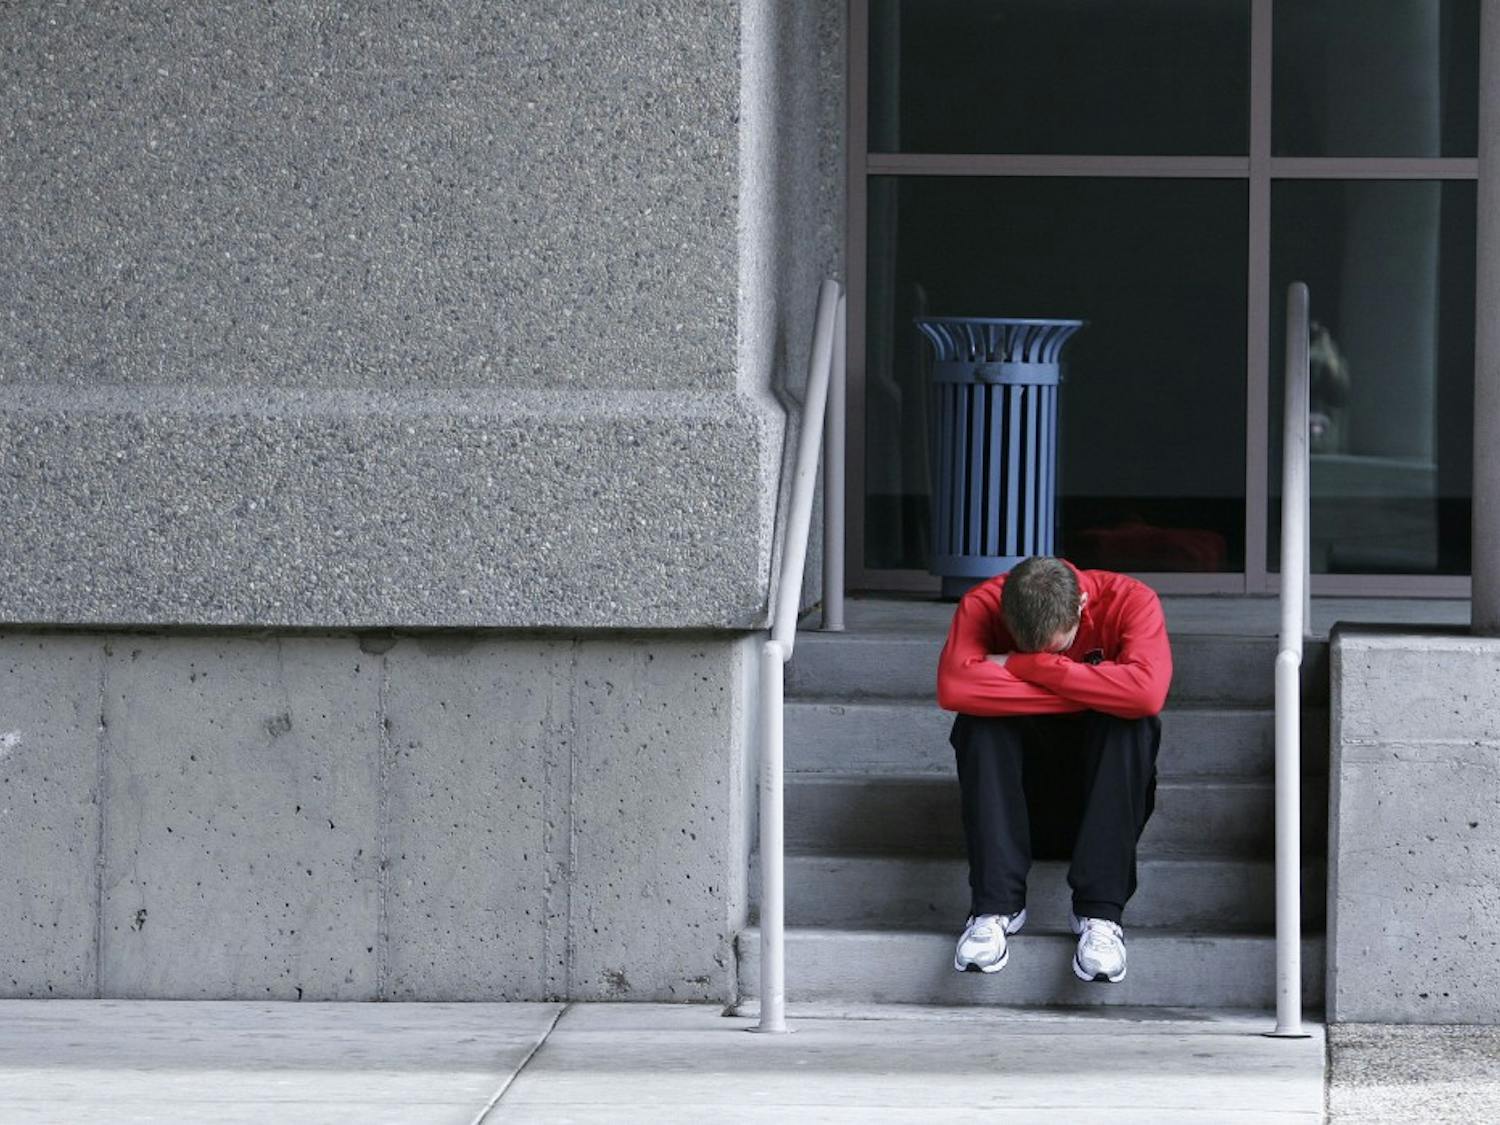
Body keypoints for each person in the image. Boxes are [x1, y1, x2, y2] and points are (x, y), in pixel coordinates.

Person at [936, 555, 1172, 984]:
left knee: (1130, 723)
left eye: (1056, 646)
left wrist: (1026, 667)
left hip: (1100, 806)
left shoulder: (1132, 600)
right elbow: (955, 686)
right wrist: (1098, 685)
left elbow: (1146, 696)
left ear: (1082, 606)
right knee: (979, 721)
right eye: (1027, 651)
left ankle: (1100, 916)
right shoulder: (981, 603)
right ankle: (994, 908)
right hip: (1018, 808)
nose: (1042, 657)